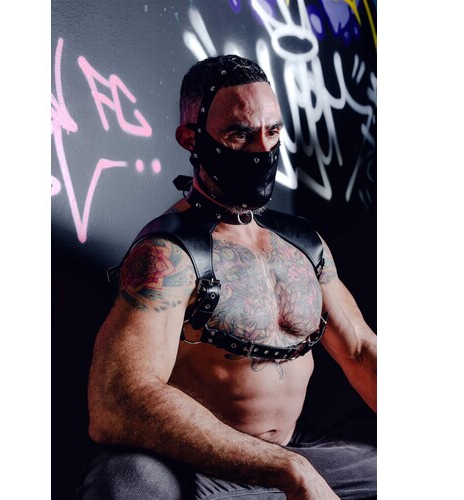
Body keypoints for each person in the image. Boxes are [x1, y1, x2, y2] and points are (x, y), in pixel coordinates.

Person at [78, 55, 377, 499]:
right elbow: (118, 400)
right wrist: (288, 470)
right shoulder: (169, 253)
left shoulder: (302, 244)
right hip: (198, 468)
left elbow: (360, 350)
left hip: (288, 454)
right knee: (126, 483)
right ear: (191, 139)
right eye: (239, 134)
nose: (261, 150)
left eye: (272, 132)